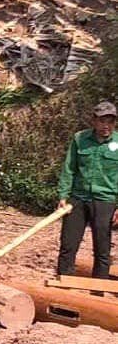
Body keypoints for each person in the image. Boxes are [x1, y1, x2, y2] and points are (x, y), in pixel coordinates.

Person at [56, 101, 118, 280]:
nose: (106, 125)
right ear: (94, 121)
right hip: (78, 199)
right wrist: (63, 195)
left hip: (105, 200)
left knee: (102, 247)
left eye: (110, 121)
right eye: (102, 121)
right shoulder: (80, 139)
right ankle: (64, 285)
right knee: (68, 244)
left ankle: (98, 289)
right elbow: (69, 168)